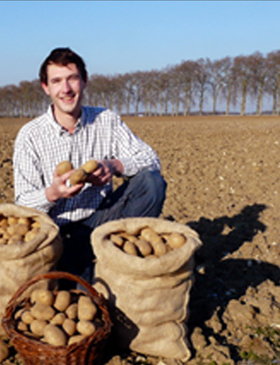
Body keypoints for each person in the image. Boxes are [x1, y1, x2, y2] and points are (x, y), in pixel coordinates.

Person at [13, 47, 167, 280]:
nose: (65, 89)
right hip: (58, 232)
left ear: (84, 81)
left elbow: (151, 159)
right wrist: (53, 193)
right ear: (46, 88)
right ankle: (86, 267)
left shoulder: (106, 120)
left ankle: (121, 257)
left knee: (151, 182)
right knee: (81, 294)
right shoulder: (30, 136)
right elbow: (22, 203)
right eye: (56, 81)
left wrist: (114, 166)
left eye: (72, 79)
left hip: (104, 219)